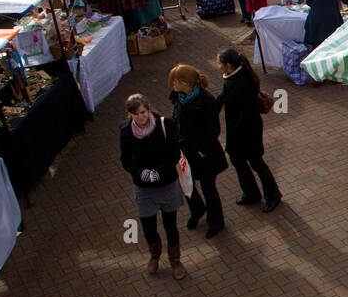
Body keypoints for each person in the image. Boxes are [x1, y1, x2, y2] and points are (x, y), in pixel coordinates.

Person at [119, 94, 188, 280]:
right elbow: (126, 160)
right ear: (130, 115)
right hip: (144, 187)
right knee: (148, 226)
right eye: (136, 114)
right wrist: (140, 173)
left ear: (149, 110)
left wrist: (158, 172)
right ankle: (154, 255)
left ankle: (175, 260)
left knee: (170, 225)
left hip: (166, 183)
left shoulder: (165, 125)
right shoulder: (126, 131)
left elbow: (175, 153)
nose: (140, 117)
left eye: (143, 112)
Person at [217, 47, 281, 212]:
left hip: (247, 131)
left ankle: (273, 195)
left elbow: (246, 113)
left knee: (256, 162)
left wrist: (235, 131)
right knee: (238, 160)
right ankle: (251, 192)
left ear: (229, 65)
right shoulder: (233, 77)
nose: (218, 66)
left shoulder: (242, 82)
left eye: (220, 63)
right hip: (239, 130)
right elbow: (224, 95)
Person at [168, 64, 228, 239]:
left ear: (186, 83)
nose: (173, 85)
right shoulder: (177, 97)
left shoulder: (206, 100)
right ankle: (197, 210)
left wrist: (200, 149)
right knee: (188, 185)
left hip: (205, 154)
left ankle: (216, 221)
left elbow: (214, 130)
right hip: (185, 151)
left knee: (209, 188)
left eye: (175, 82)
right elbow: (176, 119)